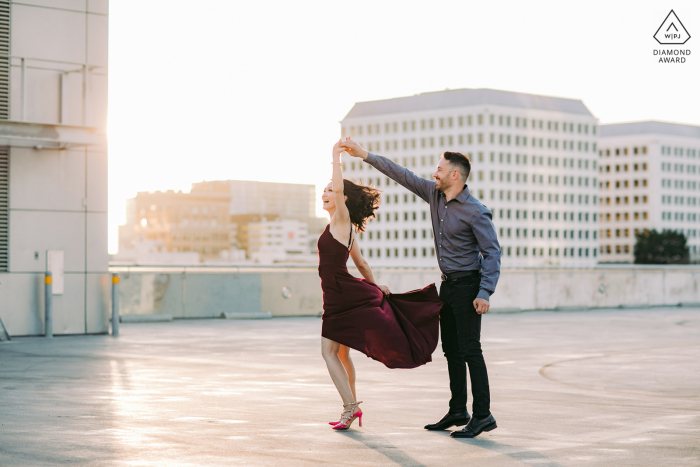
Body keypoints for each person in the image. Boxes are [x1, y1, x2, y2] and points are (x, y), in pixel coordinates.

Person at [340, 138, 501, 438]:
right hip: (448, 286)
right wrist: (365, 155)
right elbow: (402, 174)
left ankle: (483, 415)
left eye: (439, 169)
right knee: (451, 351)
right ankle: (458, 410)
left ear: (455, 174)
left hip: (469, 287)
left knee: (470, 349)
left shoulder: (476, 211)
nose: (434, 173)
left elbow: (492, 253)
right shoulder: (433, 194)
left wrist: (484, 292)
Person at [319, 139, 443, 430]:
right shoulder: (340, 227)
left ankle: (350, 407)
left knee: (328, 352)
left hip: (340, 294)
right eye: (323, 190)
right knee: (341, 353)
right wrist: (376, 288)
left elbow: (339, 188)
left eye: (330, 190)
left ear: (344, 198)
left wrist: (335, 157)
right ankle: (352, 406)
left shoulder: (341, 219)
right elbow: (361, 264)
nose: (326, 193)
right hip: (340, 292)